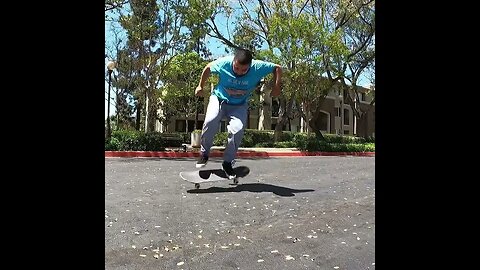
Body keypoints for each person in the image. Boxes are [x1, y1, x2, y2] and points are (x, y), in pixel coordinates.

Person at [194, 48, 282, 178]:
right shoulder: (224, 63)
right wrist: (200, 85)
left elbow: (277, 68)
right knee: (210, 121)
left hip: (239, 105)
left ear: (250, 66)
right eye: (236, 68)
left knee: (238, 130)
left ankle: (228, 163)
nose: (239, 72)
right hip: (218, 99)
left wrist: (276, 86)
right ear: (233, 61)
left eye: (244, 70)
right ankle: (204, 154)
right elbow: (207, 68)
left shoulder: (258, 67)